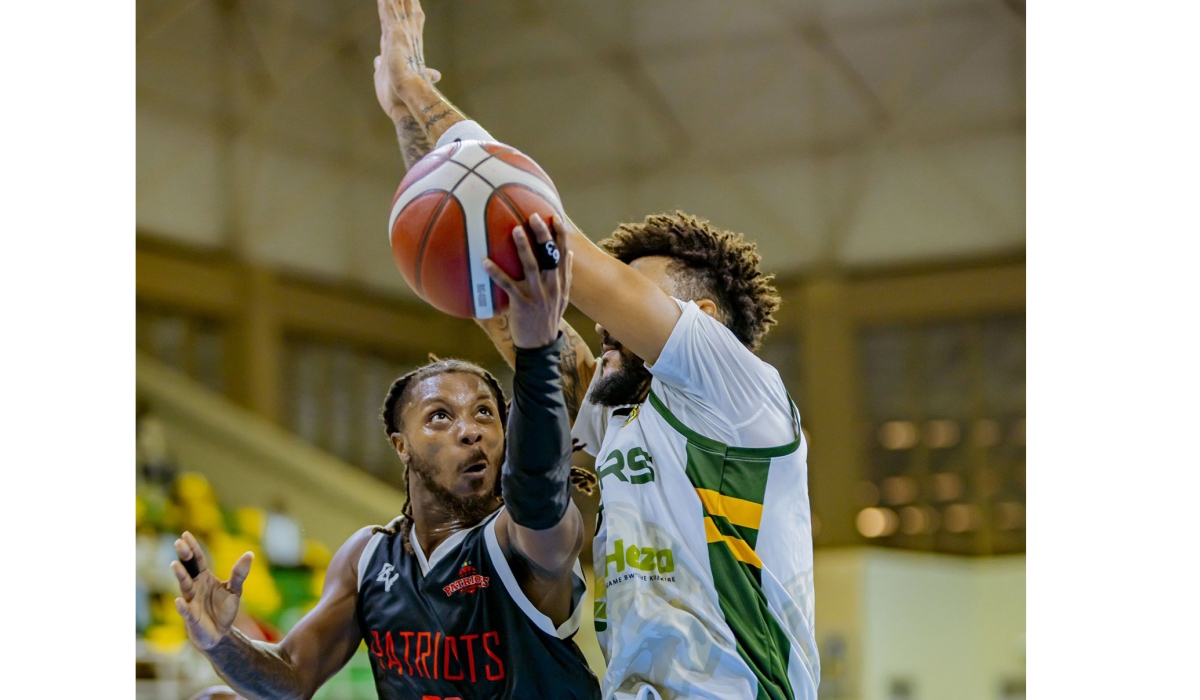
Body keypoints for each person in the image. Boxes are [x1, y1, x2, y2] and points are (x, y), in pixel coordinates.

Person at [374, 1, 820, 698]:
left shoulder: (739, 394)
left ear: (697, 319)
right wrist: (406, 125)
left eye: (628, 304)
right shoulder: (617, 416)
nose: (604, 325)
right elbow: (495, 270)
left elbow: (539, 227)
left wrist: (415, 91)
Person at [170, 213, 601, 699]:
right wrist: (219, 641)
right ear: (401, 445)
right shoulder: (369, 558)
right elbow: (291, 676)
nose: (470, 431)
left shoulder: (525, 540)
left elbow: (539, 488)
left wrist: (537, 348)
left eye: (485, 414)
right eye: (440, 416)